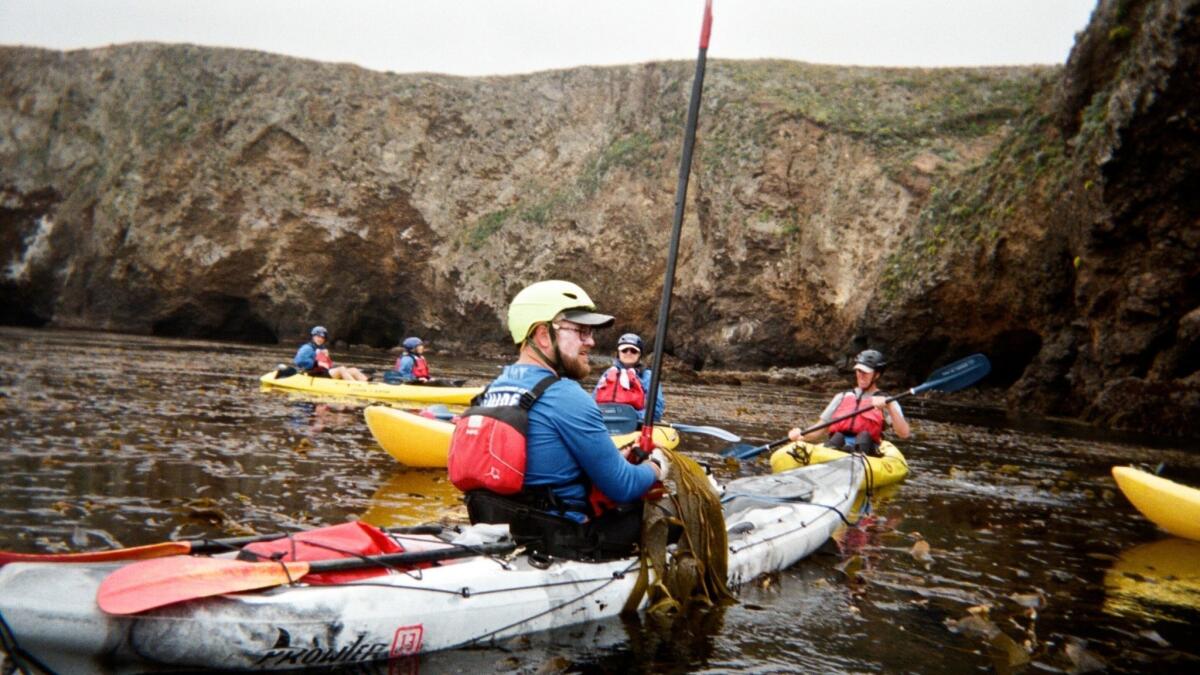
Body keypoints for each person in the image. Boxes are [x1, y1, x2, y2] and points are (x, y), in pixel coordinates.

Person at [453, 280, 669, 560]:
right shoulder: (567, 396)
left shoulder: (492, 389)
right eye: (581, 331)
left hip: (503, 529)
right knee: (669, 513)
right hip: (561, 540)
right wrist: (656, 467)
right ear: (543, 335)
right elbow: (623, 485)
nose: (591, 341)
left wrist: (617, 457)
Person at [787, 349, 911, 455]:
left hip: (866, 449)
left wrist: (889, 406)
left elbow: (904, 433)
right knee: (837, 437)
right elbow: (819, 429)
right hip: (838, 446)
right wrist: (800, 436)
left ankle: (852, 453)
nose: (861, 375)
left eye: (866, 372)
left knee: (863, 437)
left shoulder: (886, 400)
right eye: (859, 371)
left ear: (877, 375)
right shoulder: (842, 397)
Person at [592, 332, 666, 422]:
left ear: (639, 354)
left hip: (635, 425)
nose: (628, 353)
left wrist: (627, 415)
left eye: (633, 351)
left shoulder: (648, 377)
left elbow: (655, 413)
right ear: (618, 353)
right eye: (624, 350)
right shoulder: (608, 373)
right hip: (606, 422)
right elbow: (593, 402)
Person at [293, 326, 369, 381]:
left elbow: (328, 365)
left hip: (322, 372)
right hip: (312, 373)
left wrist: (326, 357)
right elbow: (299, 361)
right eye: (318, 337)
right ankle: (355, 387)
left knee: (353, 370)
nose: (320, 339)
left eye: (322, 338)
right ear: (313, 337)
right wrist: (315, 361)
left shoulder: (322, 349)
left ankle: (366, 384)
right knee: (341, 369)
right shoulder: (307, 348)